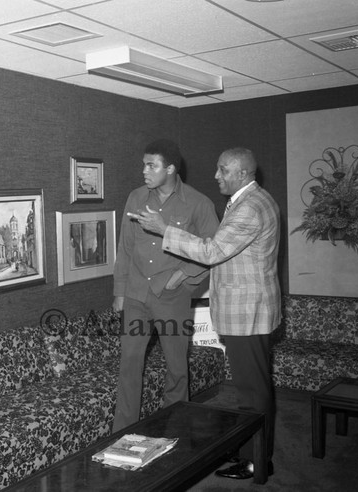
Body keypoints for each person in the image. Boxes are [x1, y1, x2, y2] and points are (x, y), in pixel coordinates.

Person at [129, 147, 281, 480]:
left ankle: (257, 463)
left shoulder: (250, 208)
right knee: (252, 389)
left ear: (242, 173)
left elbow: (211, 251)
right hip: (251, 310)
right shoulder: (254, 199)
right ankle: (252, 454)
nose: (216, 175)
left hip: (247, 313)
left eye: (223, 170)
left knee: (252, 393)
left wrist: (164, 229)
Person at [112, 138, 219, 432]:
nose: (144, 171)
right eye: (143, 164)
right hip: (135, 294)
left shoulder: (198, 203)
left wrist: (182, 275)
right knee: (129, 365)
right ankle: (122, 433)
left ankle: (174, 431)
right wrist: (119, 292)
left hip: (172, 296)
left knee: (176, 368)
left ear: (170, 168)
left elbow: (214, 248)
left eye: (151, 165)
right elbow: (125, 246)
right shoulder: (135, 197)